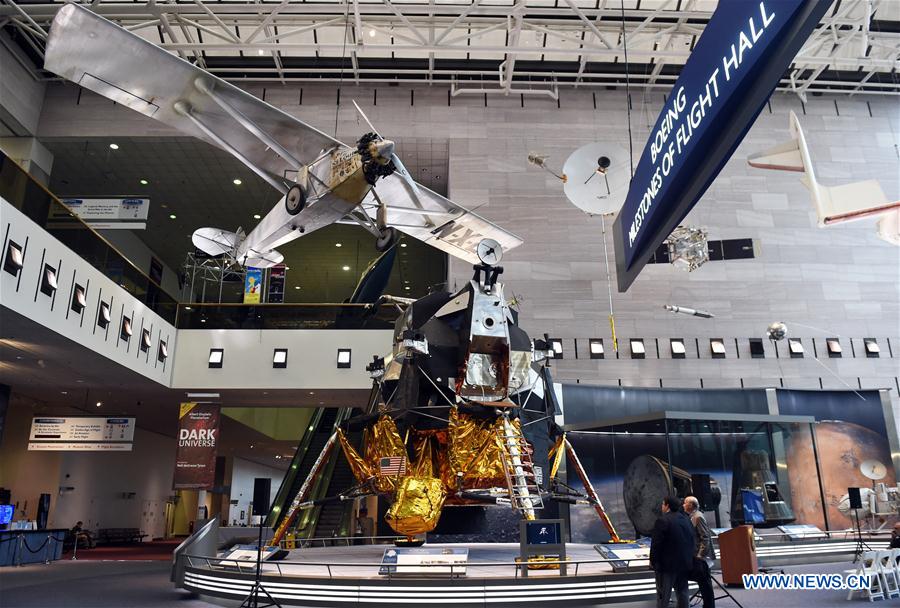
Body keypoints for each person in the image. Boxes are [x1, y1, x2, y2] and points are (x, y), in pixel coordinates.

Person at [649, 496, 695, 608]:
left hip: (666, 566)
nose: (662, 506)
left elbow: (656, 544)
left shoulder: (662, 520)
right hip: (684, 564)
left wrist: (653, 561)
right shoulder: (686, 519)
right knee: (683, 593)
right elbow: (692, 539)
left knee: (663, 596)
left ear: (667, 506)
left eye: (663, 504)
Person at [684, 496, 716, 608]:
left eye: (685, 503)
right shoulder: (692, 516)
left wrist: (700, 555)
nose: (683, 505)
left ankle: (709, 606)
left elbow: (705, 537)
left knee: (705, 584)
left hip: (701, 557)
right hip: (697, 555)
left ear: (691, 505)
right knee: (703, 582)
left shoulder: (697, 517)